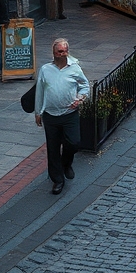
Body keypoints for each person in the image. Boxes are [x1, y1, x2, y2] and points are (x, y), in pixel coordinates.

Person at [33, 38, 90, 194]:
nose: (63, 54)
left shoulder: (75, 69)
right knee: (53, 148)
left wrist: (80, 98)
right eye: (60, 51)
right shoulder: (45, 70)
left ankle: (66, 163)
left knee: (73, 143)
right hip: (50, 115)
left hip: (69, 114)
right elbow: (40, 91)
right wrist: (38, 112)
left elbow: (85, 86)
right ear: (54, 53)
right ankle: (57, 180)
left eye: (65, 51)